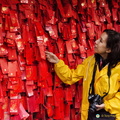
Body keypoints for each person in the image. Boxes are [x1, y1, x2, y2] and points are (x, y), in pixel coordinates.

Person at [45, 29, 120, 120]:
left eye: (100, 41)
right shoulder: (90, 62)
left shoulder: (118, 68)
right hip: (90, 115)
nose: (95, 42)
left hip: (110, 115)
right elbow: (70, 77)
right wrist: (57, 62)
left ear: (108, 49)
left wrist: (106, 105)